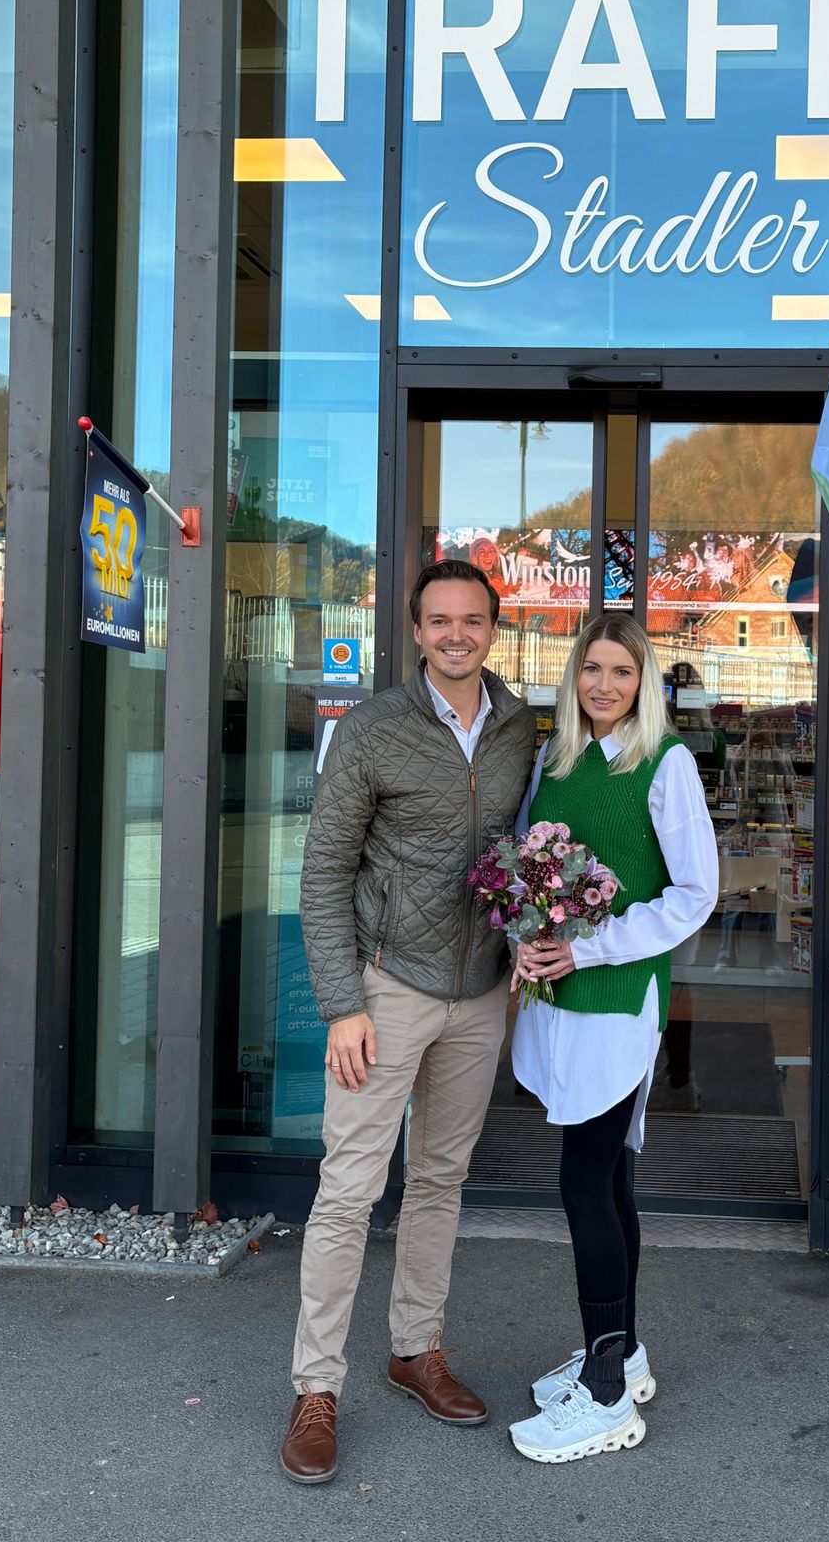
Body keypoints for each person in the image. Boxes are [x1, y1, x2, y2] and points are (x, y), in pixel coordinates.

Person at [280, 559, 536, 1485]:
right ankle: (316, 1387)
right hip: (387, 990)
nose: (456, 634)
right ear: (417, 630)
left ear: (493, 630)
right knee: (349, 1189)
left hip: (480, 993)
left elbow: (521, 853)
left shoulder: (519, 726)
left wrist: (524, 945)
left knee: (439, 1179)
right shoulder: (373, 729)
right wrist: (342, 1004)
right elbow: (322, 873)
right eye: (440, 620)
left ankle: (415, 1349)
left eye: (473, 620)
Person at [505, 614, 718, 1464]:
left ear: (645, 682)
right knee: (610, 1180)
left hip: (618, 999)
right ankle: (622, 1355)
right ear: (573, 676)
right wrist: (523, 936)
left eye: (621, 672)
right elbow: (528, 871)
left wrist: (589, 947)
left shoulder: (666, 763)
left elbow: (694, 894)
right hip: (559, 997)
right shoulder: (554, 758)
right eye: (591, 669)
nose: (603, 685)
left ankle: (603, 1399)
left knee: (584, 1183)